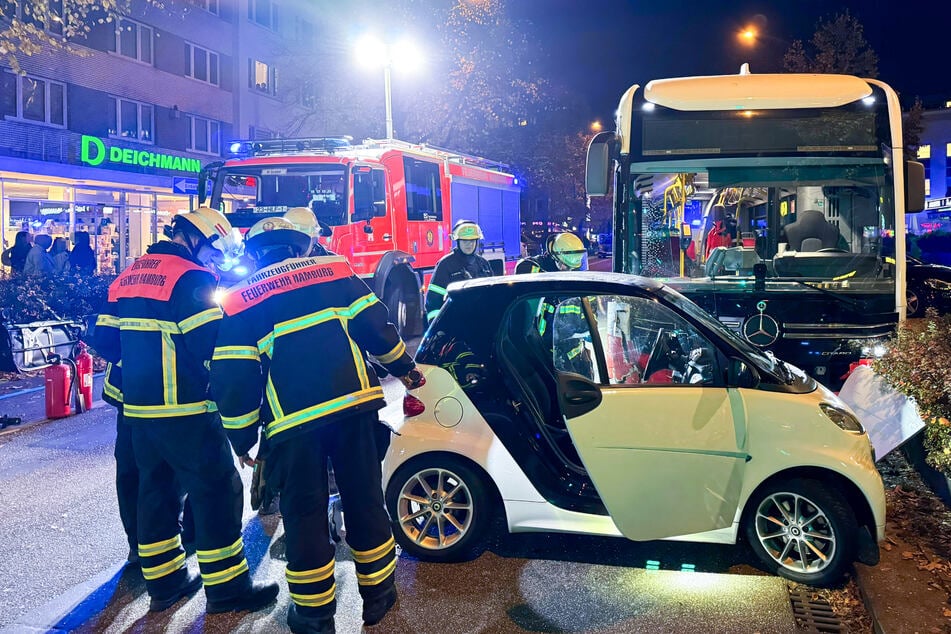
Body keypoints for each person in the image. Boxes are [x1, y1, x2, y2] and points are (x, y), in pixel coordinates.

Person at [210, 217, 425, 634]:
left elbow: (234, 377)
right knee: (364, 500)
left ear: (254, 255)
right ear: (301, 246)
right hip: (354, 409)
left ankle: (313, 615)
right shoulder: (335, 271)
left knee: (304, 513)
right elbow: (378, 329)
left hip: (294, 426)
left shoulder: (241, 300)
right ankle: (379, 596)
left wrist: (242, 438)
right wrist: (406, 370)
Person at [93, 207, 278, 614]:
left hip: (139, 412)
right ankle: (228, 589)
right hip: (187, 409)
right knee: (216, 490)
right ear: (196, 239)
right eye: (214, 252)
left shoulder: (131, 273)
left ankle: (165, 583)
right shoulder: (191, 278)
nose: (214, 262)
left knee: (155, 491)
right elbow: (211, 344)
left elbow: (104, 339)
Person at [425, 220, 494, 322]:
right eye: (465, 241)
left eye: (472, 241)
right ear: (457, 241)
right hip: (455, 325)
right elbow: (433, 300)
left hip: (482, 323)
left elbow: (493, 296)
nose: (469, 244)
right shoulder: (446, 264)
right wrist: (438, 328)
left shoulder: (483, 264)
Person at [515, 232, 586, 274]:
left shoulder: (572, 271)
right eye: (567, 267)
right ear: (555, 258)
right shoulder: (530, 265)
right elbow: (522, 267)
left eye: (572, 268)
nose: (569, 271)